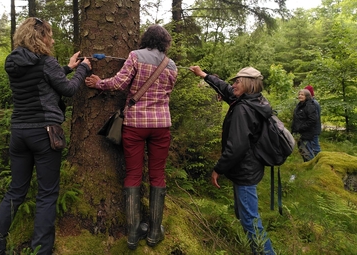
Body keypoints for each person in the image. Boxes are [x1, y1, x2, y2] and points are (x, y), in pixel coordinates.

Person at [0, 17, 92, 255]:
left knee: (16, 191)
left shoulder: (13, 62)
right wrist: (84, 69)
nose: (52, 39)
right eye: (49, 35)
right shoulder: (46, 61)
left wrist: (68, 68)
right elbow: (68, 90)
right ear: (40, 37)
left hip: (19, 133)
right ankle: (40, 251)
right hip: (45, 134)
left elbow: (42, 81)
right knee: (47, 194)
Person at [85, 25, 177, 250]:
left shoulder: (135, 56)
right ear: (165, 43)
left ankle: (133, 234)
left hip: (135, 124)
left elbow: (119, 83)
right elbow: (168, 92)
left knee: (134, 174)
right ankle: (155, 233)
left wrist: (98, 83)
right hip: (161, 125)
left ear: (146, 39)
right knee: (158, 175)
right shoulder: (172, 65)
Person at [189, 66, 276, 255]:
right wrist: (203, 75)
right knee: (244, 214)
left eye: (237, 81)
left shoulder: (243, 110)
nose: (233, 84)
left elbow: (236, 147)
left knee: (250, 220)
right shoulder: (252, 100)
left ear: (247, 84)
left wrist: (217, 169)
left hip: (245, 170)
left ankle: (265, 252)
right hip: (250, 167)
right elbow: (226, 89)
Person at [291, 89, 317, 162]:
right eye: (299, 94)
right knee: (302, 151)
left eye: (302, 95)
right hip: (299, 133)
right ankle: (307, 165)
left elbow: (312, 120)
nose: (300, 96)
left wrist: (301, 128)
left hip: (306, 133)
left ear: (307, 96)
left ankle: (312, 166)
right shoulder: (299, 105)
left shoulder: (309, 105)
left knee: (307, 151)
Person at [304, 85, 321, 155]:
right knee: (309, 147)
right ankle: (312, 162)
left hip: (314, 129)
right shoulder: (309, 102)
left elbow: (314, 118)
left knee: (315, 148)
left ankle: (319, 162)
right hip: (310, 129)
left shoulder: (314, 103)